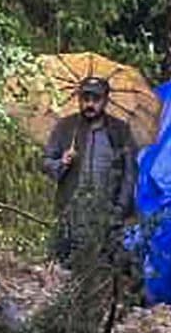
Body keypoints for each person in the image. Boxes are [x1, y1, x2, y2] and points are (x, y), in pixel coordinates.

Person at [44, 76, 138, 267]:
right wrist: (61, 162)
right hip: (71, 210)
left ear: (105, 101)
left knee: (101, 265)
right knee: (65, 264)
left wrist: (120, 209)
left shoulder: (120, 131)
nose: (89, 104)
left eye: (96, 100)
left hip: (106, 212)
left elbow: (130, 174)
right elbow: (46, 162)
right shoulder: (66, 127)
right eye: (85, 99)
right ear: (78, 99)